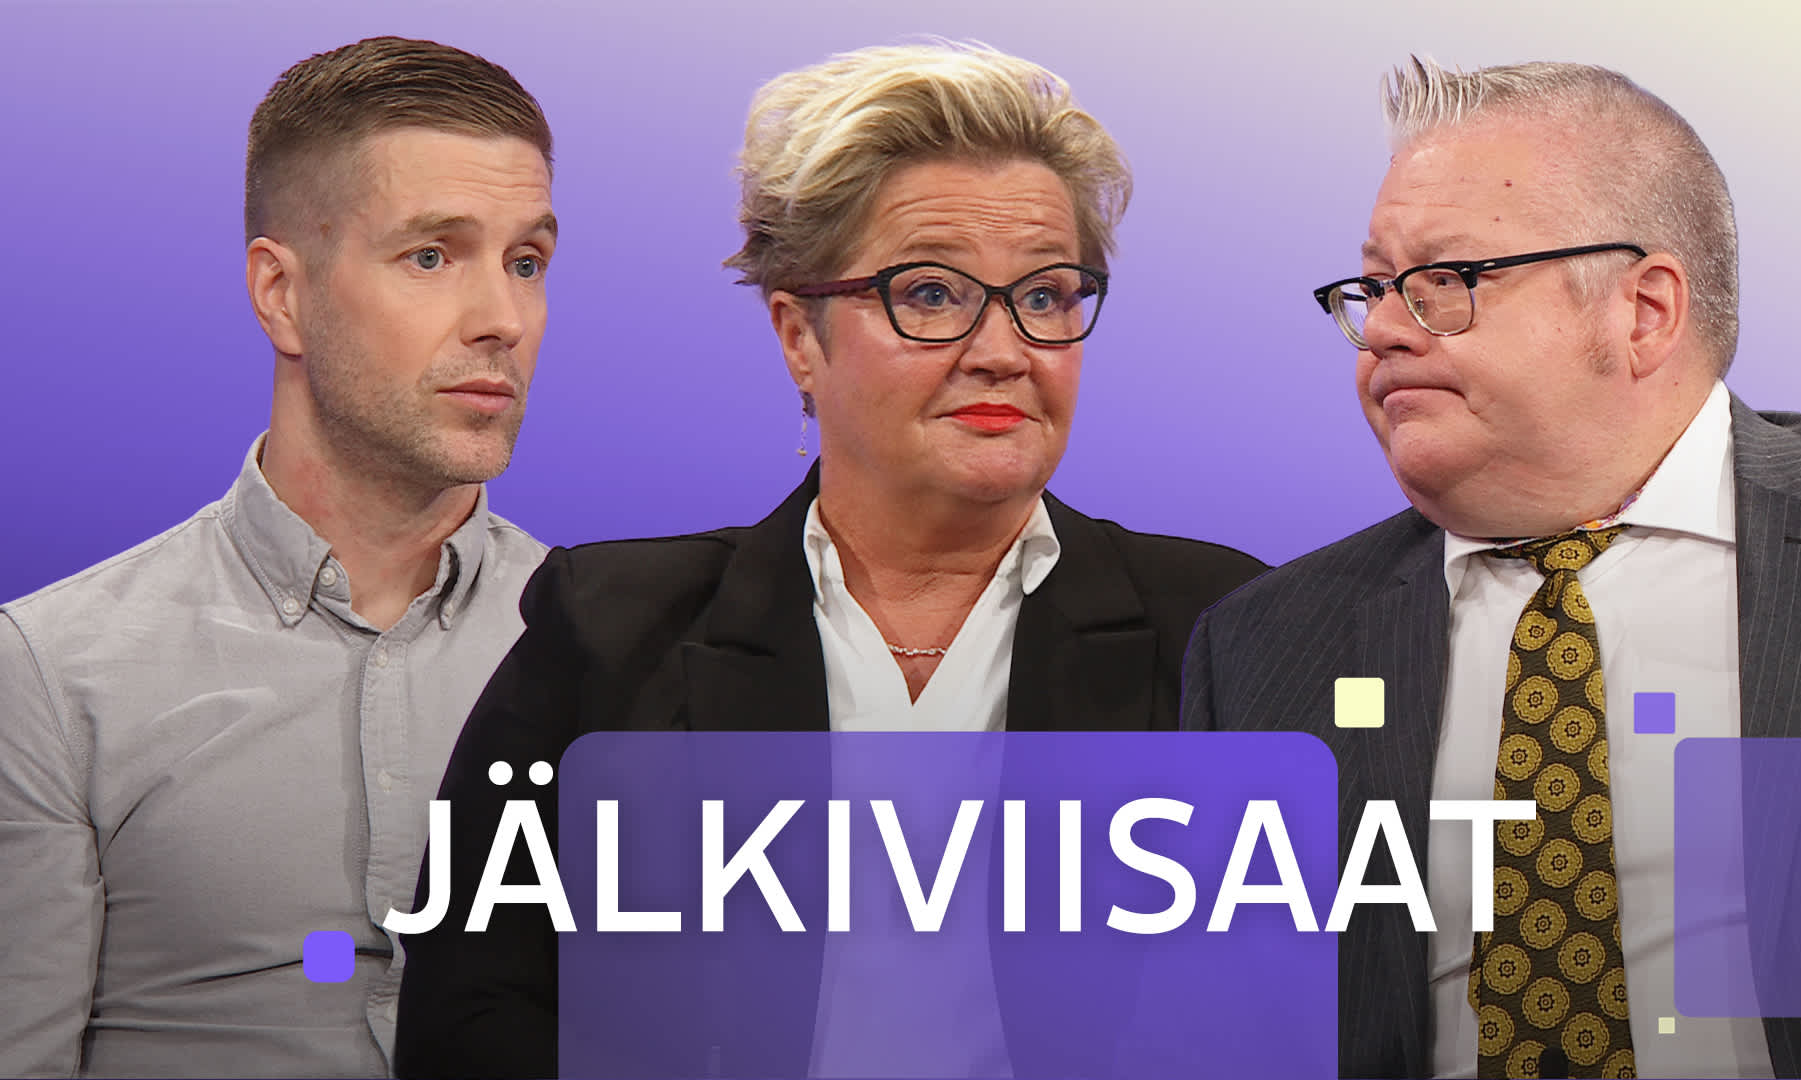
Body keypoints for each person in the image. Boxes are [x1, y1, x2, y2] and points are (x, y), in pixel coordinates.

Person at [394, 41, 1266, 1079]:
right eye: (931, 293)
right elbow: (471, 1009)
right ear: (798, 337)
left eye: (1045, 296)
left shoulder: (1220, 624)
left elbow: (1295, 1006)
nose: (1003, 350)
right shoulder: (612, 628)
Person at [1184, 57, 1801, 1079]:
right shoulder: (1260, 650)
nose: (1384, 331)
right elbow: (1236, 1032)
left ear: (1643, 311)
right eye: (1375, 289)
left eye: (1446, 282)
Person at [0, 36, 556, 1077]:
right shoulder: (48, 673)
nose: (502, 321)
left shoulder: (624, 653)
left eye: (525, 262)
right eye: (431, 256)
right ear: (280, 293)